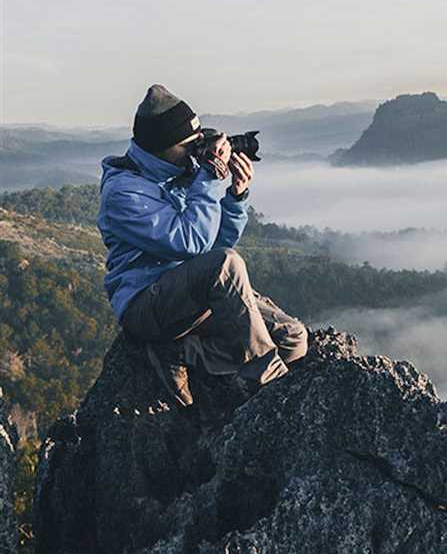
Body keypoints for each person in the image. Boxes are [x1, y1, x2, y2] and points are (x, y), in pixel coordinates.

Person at [97, 84, 308, 406]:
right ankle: (267, 384)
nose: (197, 152)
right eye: (189, 145)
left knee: (293, 339)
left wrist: (236, 198)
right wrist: (208, 178)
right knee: (227, 263)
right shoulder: (125, 193)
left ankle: (182, 352)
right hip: (147, 306)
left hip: (192, 298)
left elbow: (213, 246)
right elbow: (192, 245)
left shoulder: (183, 173)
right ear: (160, 147)